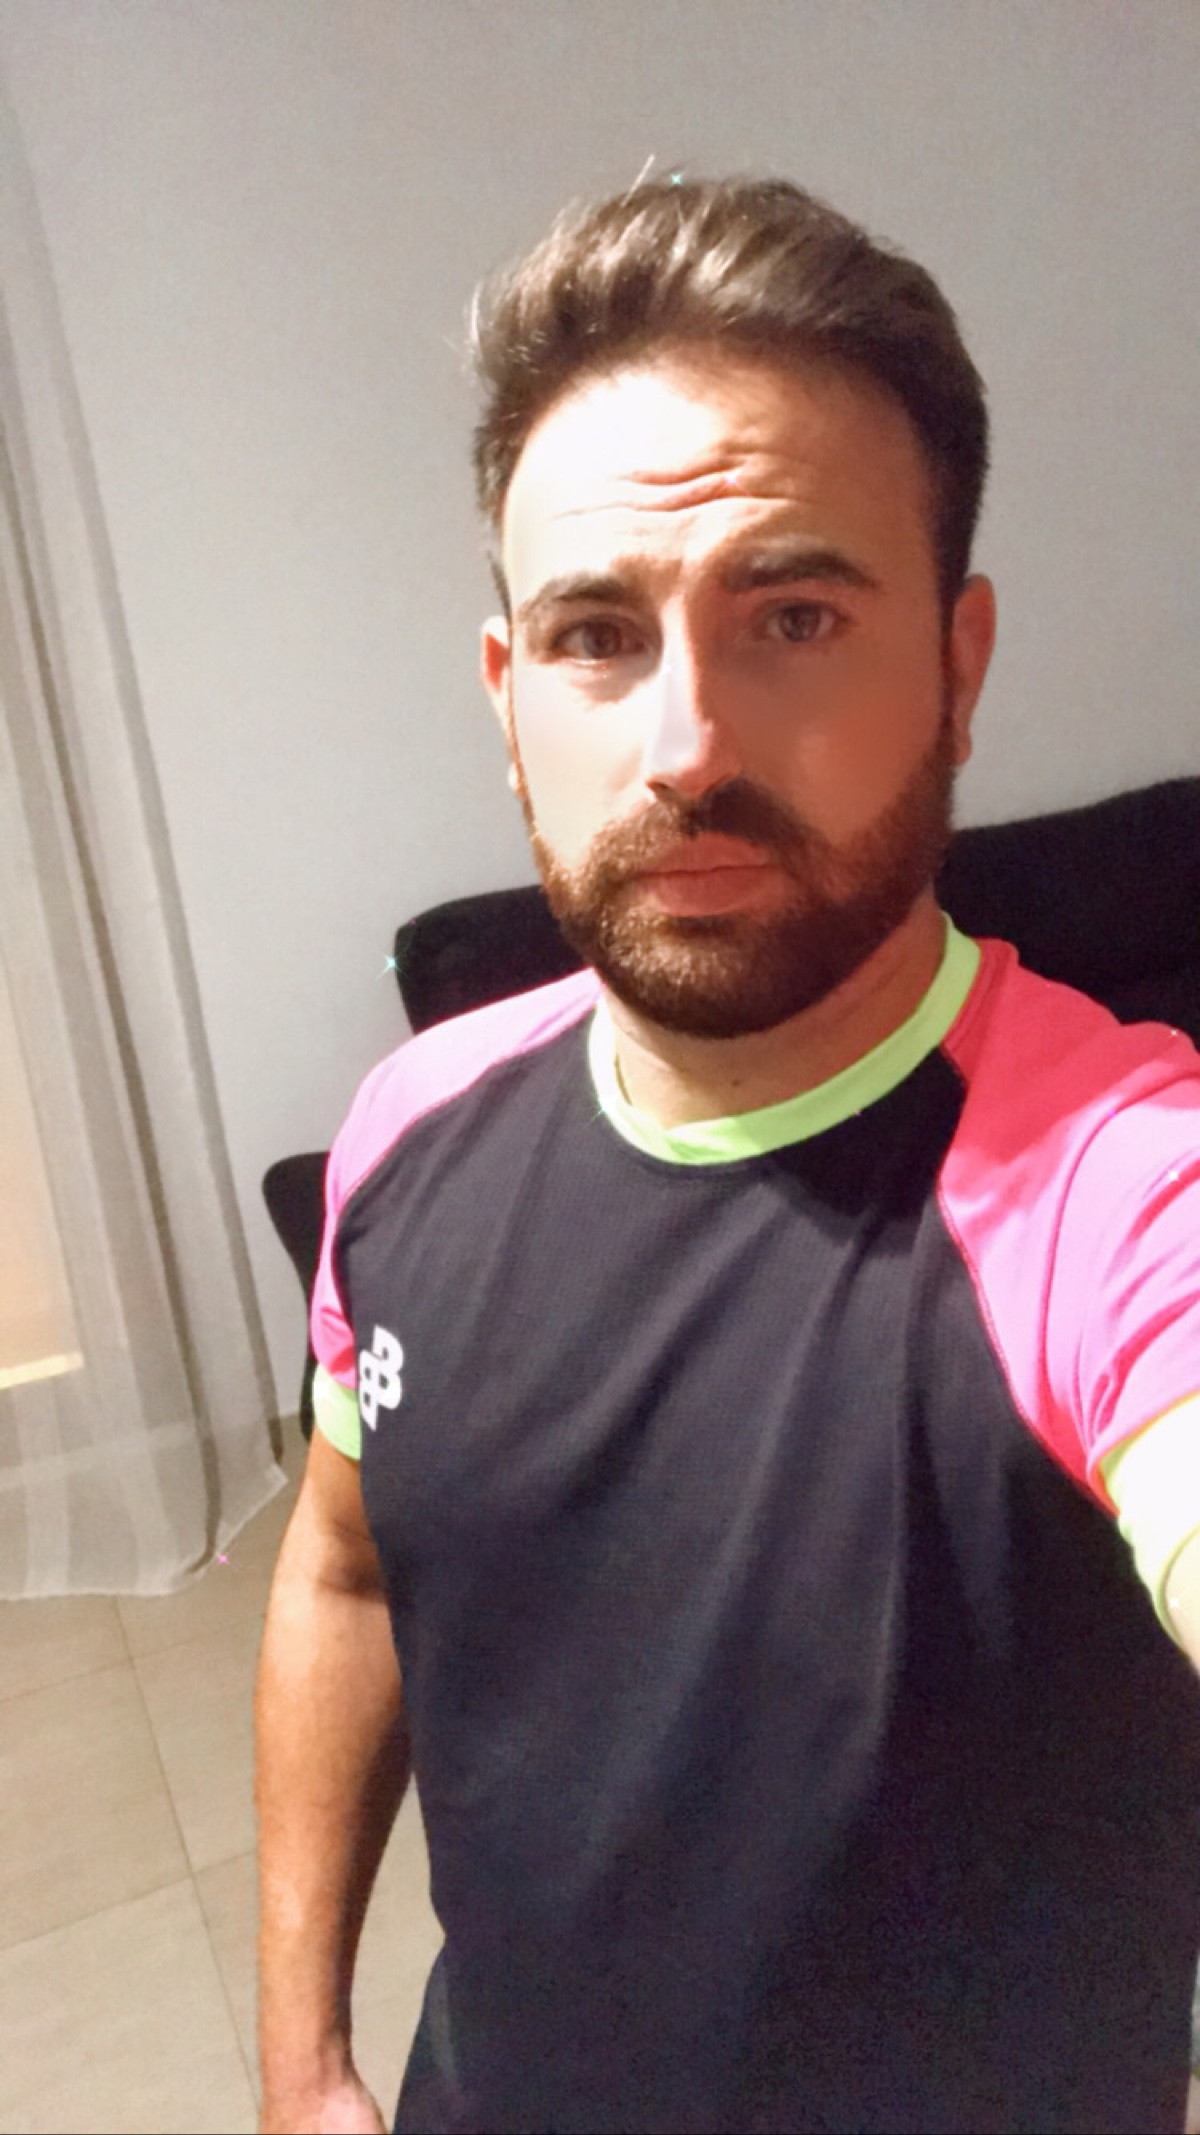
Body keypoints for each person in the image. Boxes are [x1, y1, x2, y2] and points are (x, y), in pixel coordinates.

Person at [255, 176, 1200, 2135]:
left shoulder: (1109, 1188)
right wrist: (302, 2053)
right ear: (511, 701)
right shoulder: (412, 1133)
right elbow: (343, 1579)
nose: (686, 744)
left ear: (958, 665)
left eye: (794, 617)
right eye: (599, 636)